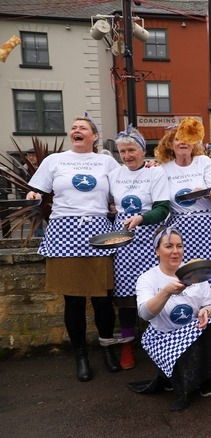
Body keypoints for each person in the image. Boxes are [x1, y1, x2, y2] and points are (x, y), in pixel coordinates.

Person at [26, 115, 121, 382]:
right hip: (64, 230)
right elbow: (37, 191)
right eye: (74, 128)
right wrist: (34, 195)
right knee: (74, 300)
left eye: (83, 128)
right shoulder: (54, 161)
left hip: (99, 230)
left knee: (103, 298)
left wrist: (147, 170)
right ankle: (80, 355)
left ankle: (107, 350)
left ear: (94, 137)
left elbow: (123, 188)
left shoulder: (106, 161)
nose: (76, 130)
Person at [133, 226, 211, 410]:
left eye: (180, 246)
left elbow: (210, 306)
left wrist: (206, 312)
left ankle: (205, 377)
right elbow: (145, 314)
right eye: (169, 246)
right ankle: (174, 375)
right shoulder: (147, 279)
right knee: (177, 375)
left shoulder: (194, 273)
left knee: (210, 326)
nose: (176, 251)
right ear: (157, 250)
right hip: (164, 336)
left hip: (194, 333)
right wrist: (167, 291)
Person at [108, 125, 170, 369]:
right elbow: (107, 203)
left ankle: (160, 340)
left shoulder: (155, 173)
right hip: (124, 243)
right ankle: (127, 345)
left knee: (157, 293)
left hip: (150, 241)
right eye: (122, 151)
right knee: (125, 297)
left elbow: (163, 208)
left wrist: (142, 218)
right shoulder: (114, 174)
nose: (127, 155)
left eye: (131, 149)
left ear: (143, 150)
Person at [156, 118, 211, 287]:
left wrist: (207, 193)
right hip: (179, 228)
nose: (183, 142)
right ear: (169, 144)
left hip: (208, 227)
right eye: (178, 139)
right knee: (184, 273)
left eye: (187, 139)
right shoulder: (163, 169)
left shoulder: (204, 162)